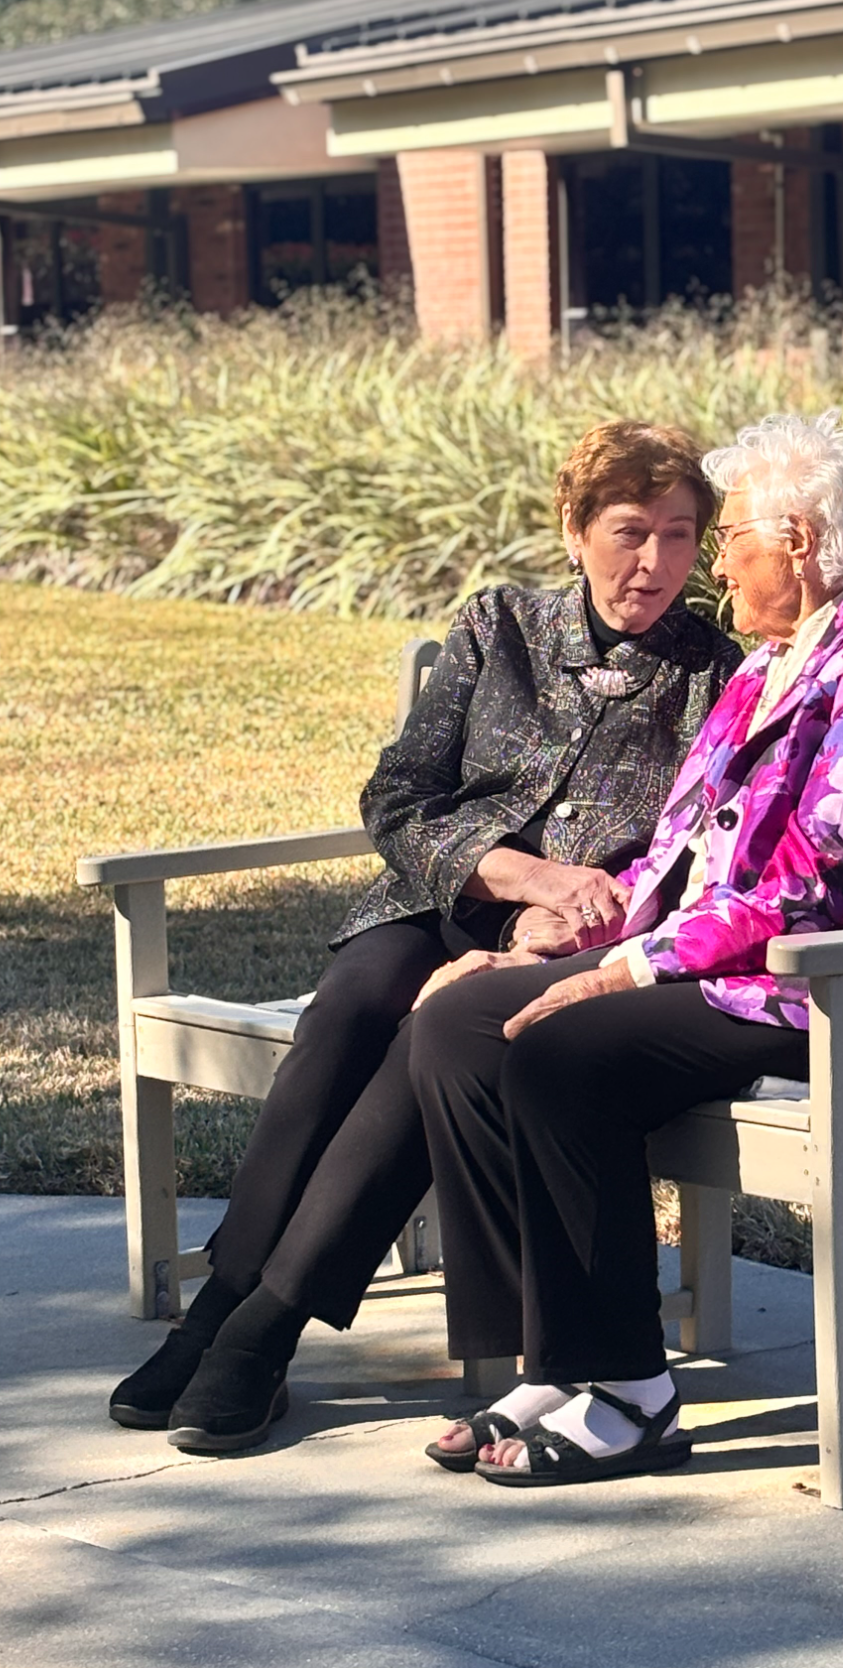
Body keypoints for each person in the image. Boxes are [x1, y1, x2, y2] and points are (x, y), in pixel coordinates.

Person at [109, 419, 741, 1445]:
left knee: (430, 1038)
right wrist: (522, 877)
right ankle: (223, 1304)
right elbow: (398, 796)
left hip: (570, 943)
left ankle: (263, 1327)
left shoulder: (713, 672)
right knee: (353, 1003)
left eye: (678, 537)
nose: (653, 563)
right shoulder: (499, 625)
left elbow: (692, 852)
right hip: (438, 901)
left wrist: (550, 927)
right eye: (629, 531)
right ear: (574, 527)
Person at [410, 409, 843, 1486]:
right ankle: (557, 1357)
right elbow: (679, 860)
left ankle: (632, 1394)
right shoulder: (764, 669)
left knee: (563, 1054)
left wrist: (624, 971)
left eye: (729, 537)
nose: (715, 564)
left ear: (799, 542)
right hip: (747, 982)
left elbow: (822, 879)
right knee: (461, 1021)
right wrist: (559, 949)